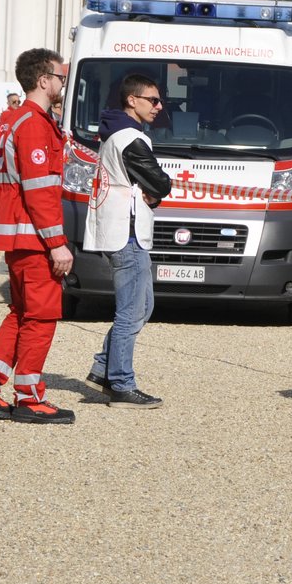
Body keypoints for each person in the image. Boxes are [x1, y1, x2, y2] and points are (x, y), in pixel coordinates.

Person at [0, 49, 76, 425]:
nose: (63, 82)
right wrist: (57, 243)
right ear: (44, 80)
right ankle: (28, 398)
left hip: (17, 237)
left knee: (22, 313)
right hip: (34, 238)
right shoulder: (33, 123)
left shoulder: (15, 120)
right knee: (41, 317)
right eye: (60, 76)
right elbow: (40, 191)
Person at [83, 72, 172, 407]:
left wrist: (155, 188)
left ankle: (104, 368)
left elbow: (149, 183)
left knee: (142, 306)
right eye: (153, 100)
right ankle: (121, 384)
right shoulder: (130, 137)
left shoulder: (115, 133)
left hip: (121, 227)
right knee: (131, 311)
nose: (159, 106)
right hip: (127, 230)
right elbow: (159, 182)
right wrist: (162, 186)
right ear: (131, 100)